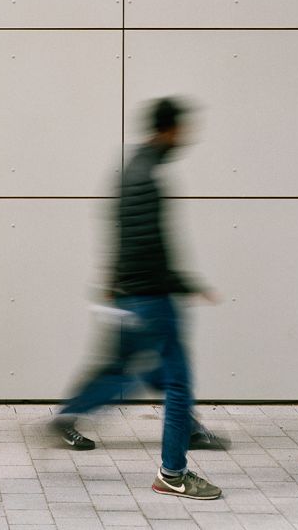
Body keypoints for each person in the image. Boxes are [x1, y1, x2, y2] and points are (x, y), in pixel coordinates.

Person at [50, 98, 224, 502]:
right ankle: (173, 473)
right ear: (169, 130)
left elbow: (120, 231)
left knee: (134, 372)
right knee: (175, 381)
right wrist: (183, 283)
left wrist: (114, 282)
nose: (186, 138)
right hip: (150, 297)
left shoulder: (132, 171)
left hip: (131, 294)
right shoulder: (148, 178)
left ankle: (73, 416)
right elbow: (151, 247)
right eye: (183, 130)